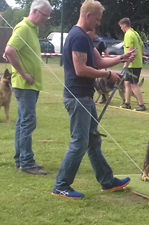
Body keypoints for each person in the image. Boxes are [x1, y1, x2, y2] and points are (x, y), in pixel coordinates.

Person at [52, 0, 136, 200]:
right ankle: (61, 186)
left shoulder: (85, 38)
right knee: (80, 142)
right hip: (77, 97)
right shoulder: (79, 37)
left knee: (93, 141)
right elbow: (80, 69)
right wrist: (107, 76)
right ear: (88, 15)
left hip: (85, 97)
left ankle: (107, 182)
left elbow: (98, 61)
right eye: (97, 19)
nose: (98, 23)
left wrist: (122, 58)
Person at [4, 0, 52, 175]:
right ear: (36, 12)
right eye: (45, 15)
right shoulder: (23, 27)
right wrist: (24, 74)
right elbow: (9, 51)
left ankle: (21, 160)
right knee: (28, 122)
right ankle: (26, 162)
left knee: (22, 123)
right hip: (24, 85)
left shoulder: (33, 29)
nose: (47, 19)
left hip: (30, 86)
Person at [118, 17, 146, 111]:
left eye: (121, 26)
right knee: (127, 83)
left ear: (125, 25)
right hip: (135, 63)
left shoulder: (128, 34)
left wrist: (125, 63)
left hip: (132, 64)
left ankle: (141, 105)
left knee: (134, 84)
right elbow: (142, 45)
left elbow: (129, 50)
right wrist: (142, 55)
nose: (121, 28)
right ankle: (127, 103)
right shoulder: (135, 33)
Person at [87, 30, 109, 104]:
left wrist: (104, 63)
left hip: (97, 65)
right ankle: (90, 97)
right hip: (89, 65)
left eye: (89, 34)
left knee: (100, 83)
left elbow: (106, 53)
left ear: (94, 33)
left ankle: (104, 98)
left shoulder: (100, 42)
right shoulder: (87, 40)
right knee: (91, 84)